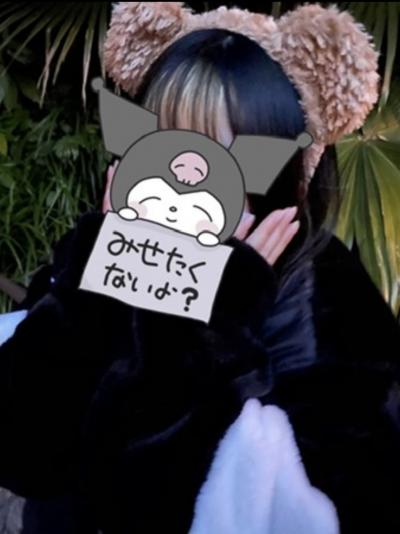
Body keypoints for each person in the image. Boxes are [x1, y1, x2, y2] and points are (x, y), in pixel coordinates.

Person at [1, 3, 400, 533]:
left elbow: (164, 499)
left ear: (287, 175)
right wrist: (90, 288)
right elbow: (22, 452)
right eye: (160, 142)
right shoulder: (105, 248)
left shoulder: (326, 306)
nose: (182, 182)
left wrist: (214, 313)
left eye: (222, 161)